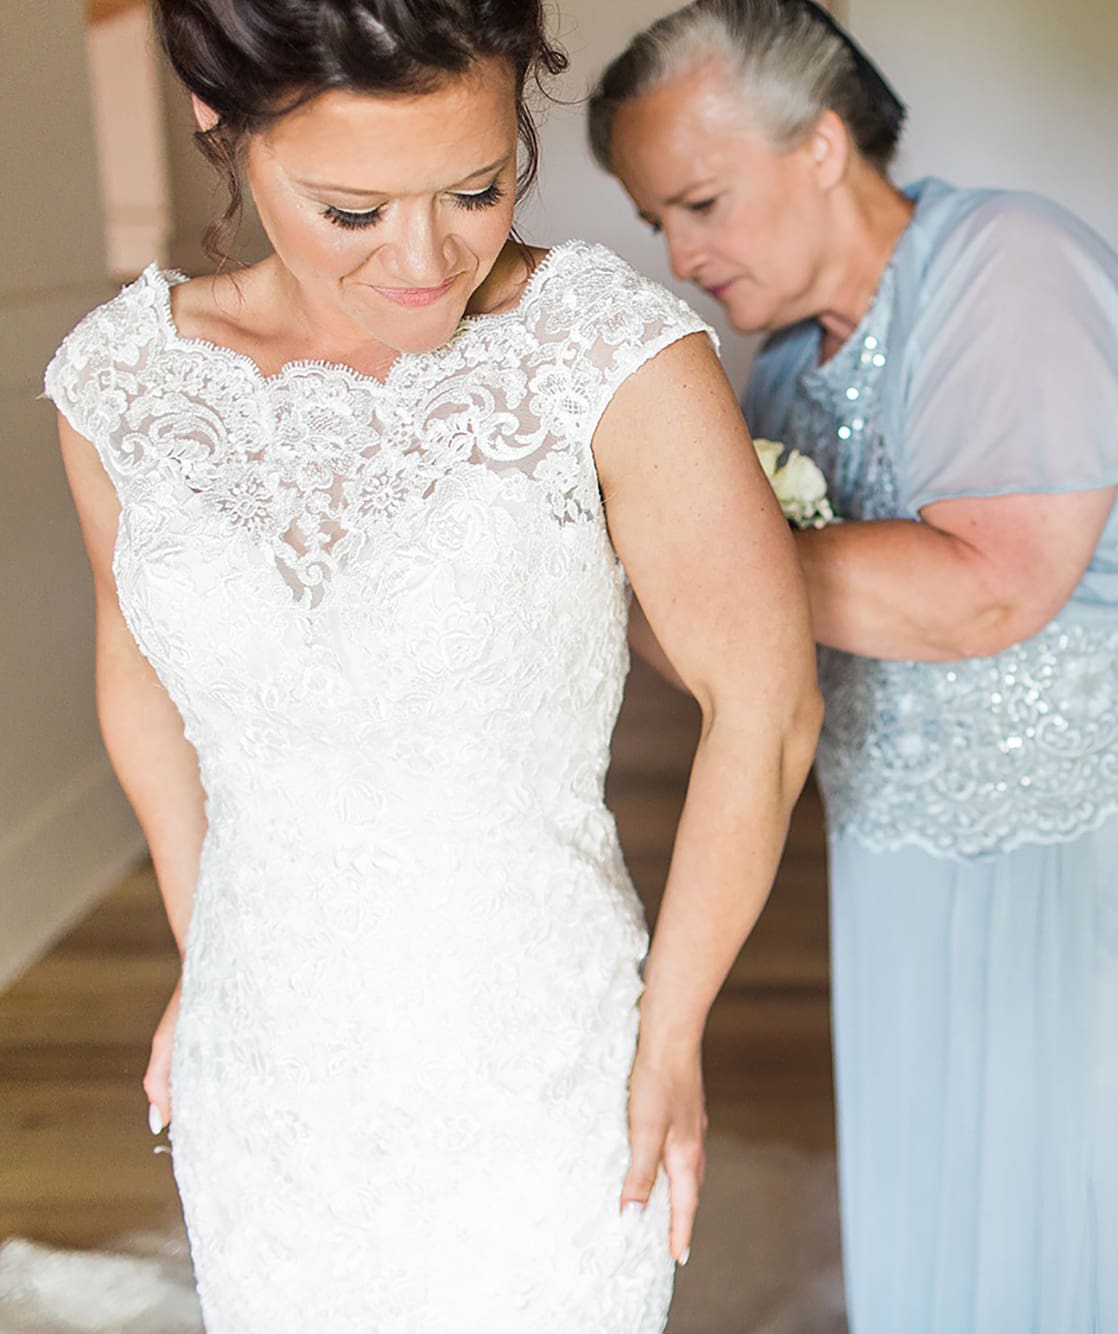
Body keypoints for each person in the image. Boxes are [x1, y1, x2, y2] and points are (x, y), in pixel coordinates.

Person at [43, 1, 822, 1329]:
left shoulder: (606, 353)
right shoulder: (120, 383)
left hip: (535, 1057)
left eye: (476, 189)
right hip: (266, 1055)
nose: (425, 259)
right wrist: (203, 942)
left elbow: (766, 702)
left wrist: (673, 1031)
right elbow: (139, 665)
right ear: (219, 121)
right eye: (353, 210)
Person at [590, 4, 1118, 1330]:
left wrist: (698, 553)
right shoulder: (777, 376)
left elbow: (989, 588)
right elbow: (727, 648)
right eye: (658, 220)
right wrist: (607, 570)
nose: (680, 255)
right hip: (921, 886)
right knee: (964, 1236)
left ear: (823, 145)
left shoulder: (1013, 267)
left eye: (701, 203)